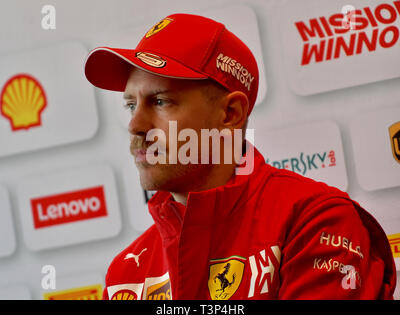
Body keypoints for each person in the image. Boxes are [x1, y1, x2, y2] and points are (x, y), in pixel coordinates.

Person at [84, 13, 396, 300]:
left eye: (161, 101)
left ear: (230, 113)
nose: (135, 125)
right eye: (130, 105)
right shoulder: (127, 273)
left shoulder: (314, 221)